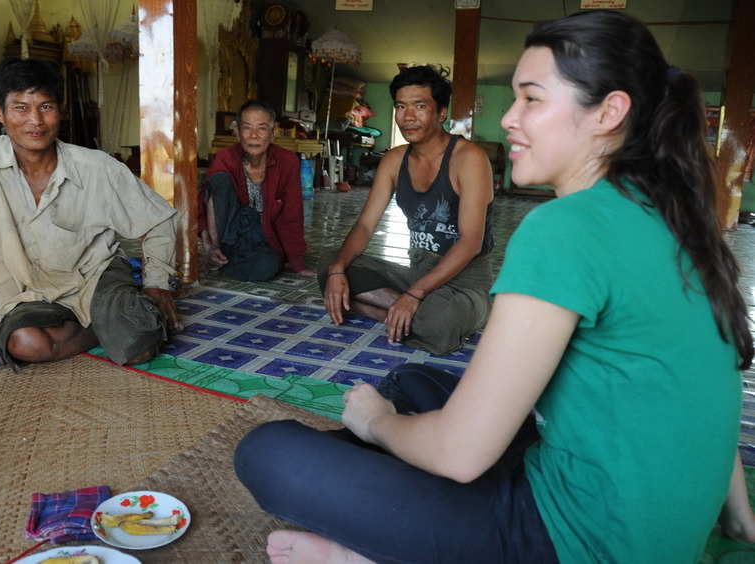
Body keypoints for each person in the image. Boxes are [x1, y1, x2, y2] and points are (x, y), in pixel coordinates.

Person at [234, 10, 755, 563]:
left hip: (572, 541)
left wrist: (377, 425)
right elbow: (703, 377)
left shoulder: (566, 227)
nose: (508, 119)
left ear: (609, 111)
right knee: (415, 380)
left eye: (531, 99)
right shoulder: (678, 218)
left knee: (268, 454)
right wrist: (739, 516)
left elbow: (461, 455)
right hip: (657, 524)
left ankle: (364, 548)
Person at [0, 57, 182, 372]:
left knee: (137, 349)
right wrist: (5, 311)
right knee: (23, 343)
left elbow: (161, 219)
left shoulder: (97, 168)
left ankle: (111, 323)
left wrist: (157, 282)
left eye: (46, 107)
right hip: (35, 284)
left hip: (97, 274)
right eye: (21, 108)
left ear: (59, 111)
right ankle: (99, 329)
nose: (35, 121)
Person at [318, 64, 494, 356]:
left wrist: (414, 295)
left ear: (441, 113)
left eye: (420, 106)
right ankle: (405, 312)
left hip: (464, 283)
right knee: (330, 264)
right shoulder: (394, 160)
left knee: (440, 321)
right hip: (417, 272)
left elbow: (471, 242)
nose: (408, 116)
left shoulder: (469, 158)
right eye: (401, 106)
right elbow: (364, 227)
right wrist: (337, 271)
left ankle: (389, 310)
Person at [198, 99, 316, 281]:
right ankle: (216, 256)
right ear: (237, 132)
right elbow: (206, 204)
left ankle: (225, 265)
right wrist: (210, 247)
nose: (254, 135)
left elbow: (291, 215)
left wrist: (297, 263)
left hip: (265, 238)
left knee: (266, 267)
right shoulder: (225, 158)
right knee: (219, 180)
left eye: (261, 128)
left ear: (273, 133)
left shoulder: (287, 161)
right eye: (246, 128)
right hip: (230, 235)